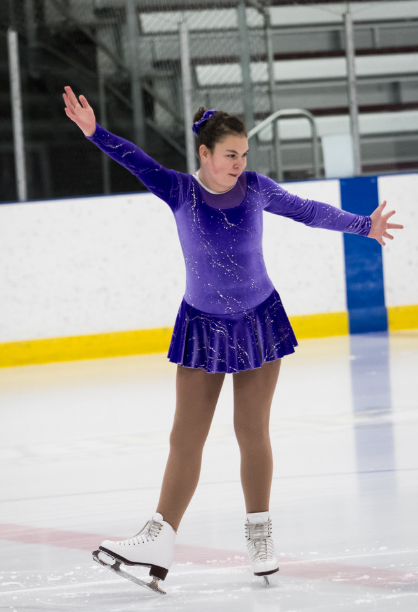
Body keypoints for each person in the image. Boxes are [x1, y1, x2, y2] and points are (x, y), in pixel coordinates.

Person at [62, 86, 403, 591]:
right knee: (185, 438)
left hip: (258, 321)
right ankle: (159, 538)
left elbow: (307, 210)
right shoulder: (179, 190)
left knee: (251, 431)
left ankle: (260, 535)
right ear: (204, 153)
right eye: (229, 155)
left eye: (243, 155)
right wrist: (95, 132)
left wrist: (363, 225)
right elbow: (136, 159)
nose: (238, 164)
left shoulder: (259, 189)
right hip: (202, 324)